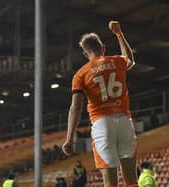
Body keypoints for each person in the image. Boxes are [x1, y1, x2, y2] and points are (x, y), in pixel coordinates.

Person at [62, 21, 138, 187]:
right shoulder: (117, 61)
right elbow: (130, 60)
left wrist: (69, 139)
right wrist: (119, 34)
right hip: (125, 120)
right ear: (103, 47)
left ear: (85, 53)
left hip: (102, 124)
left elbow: (75, 108)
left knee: (110, 182)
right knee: (132, 180)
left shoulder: (81, 74)